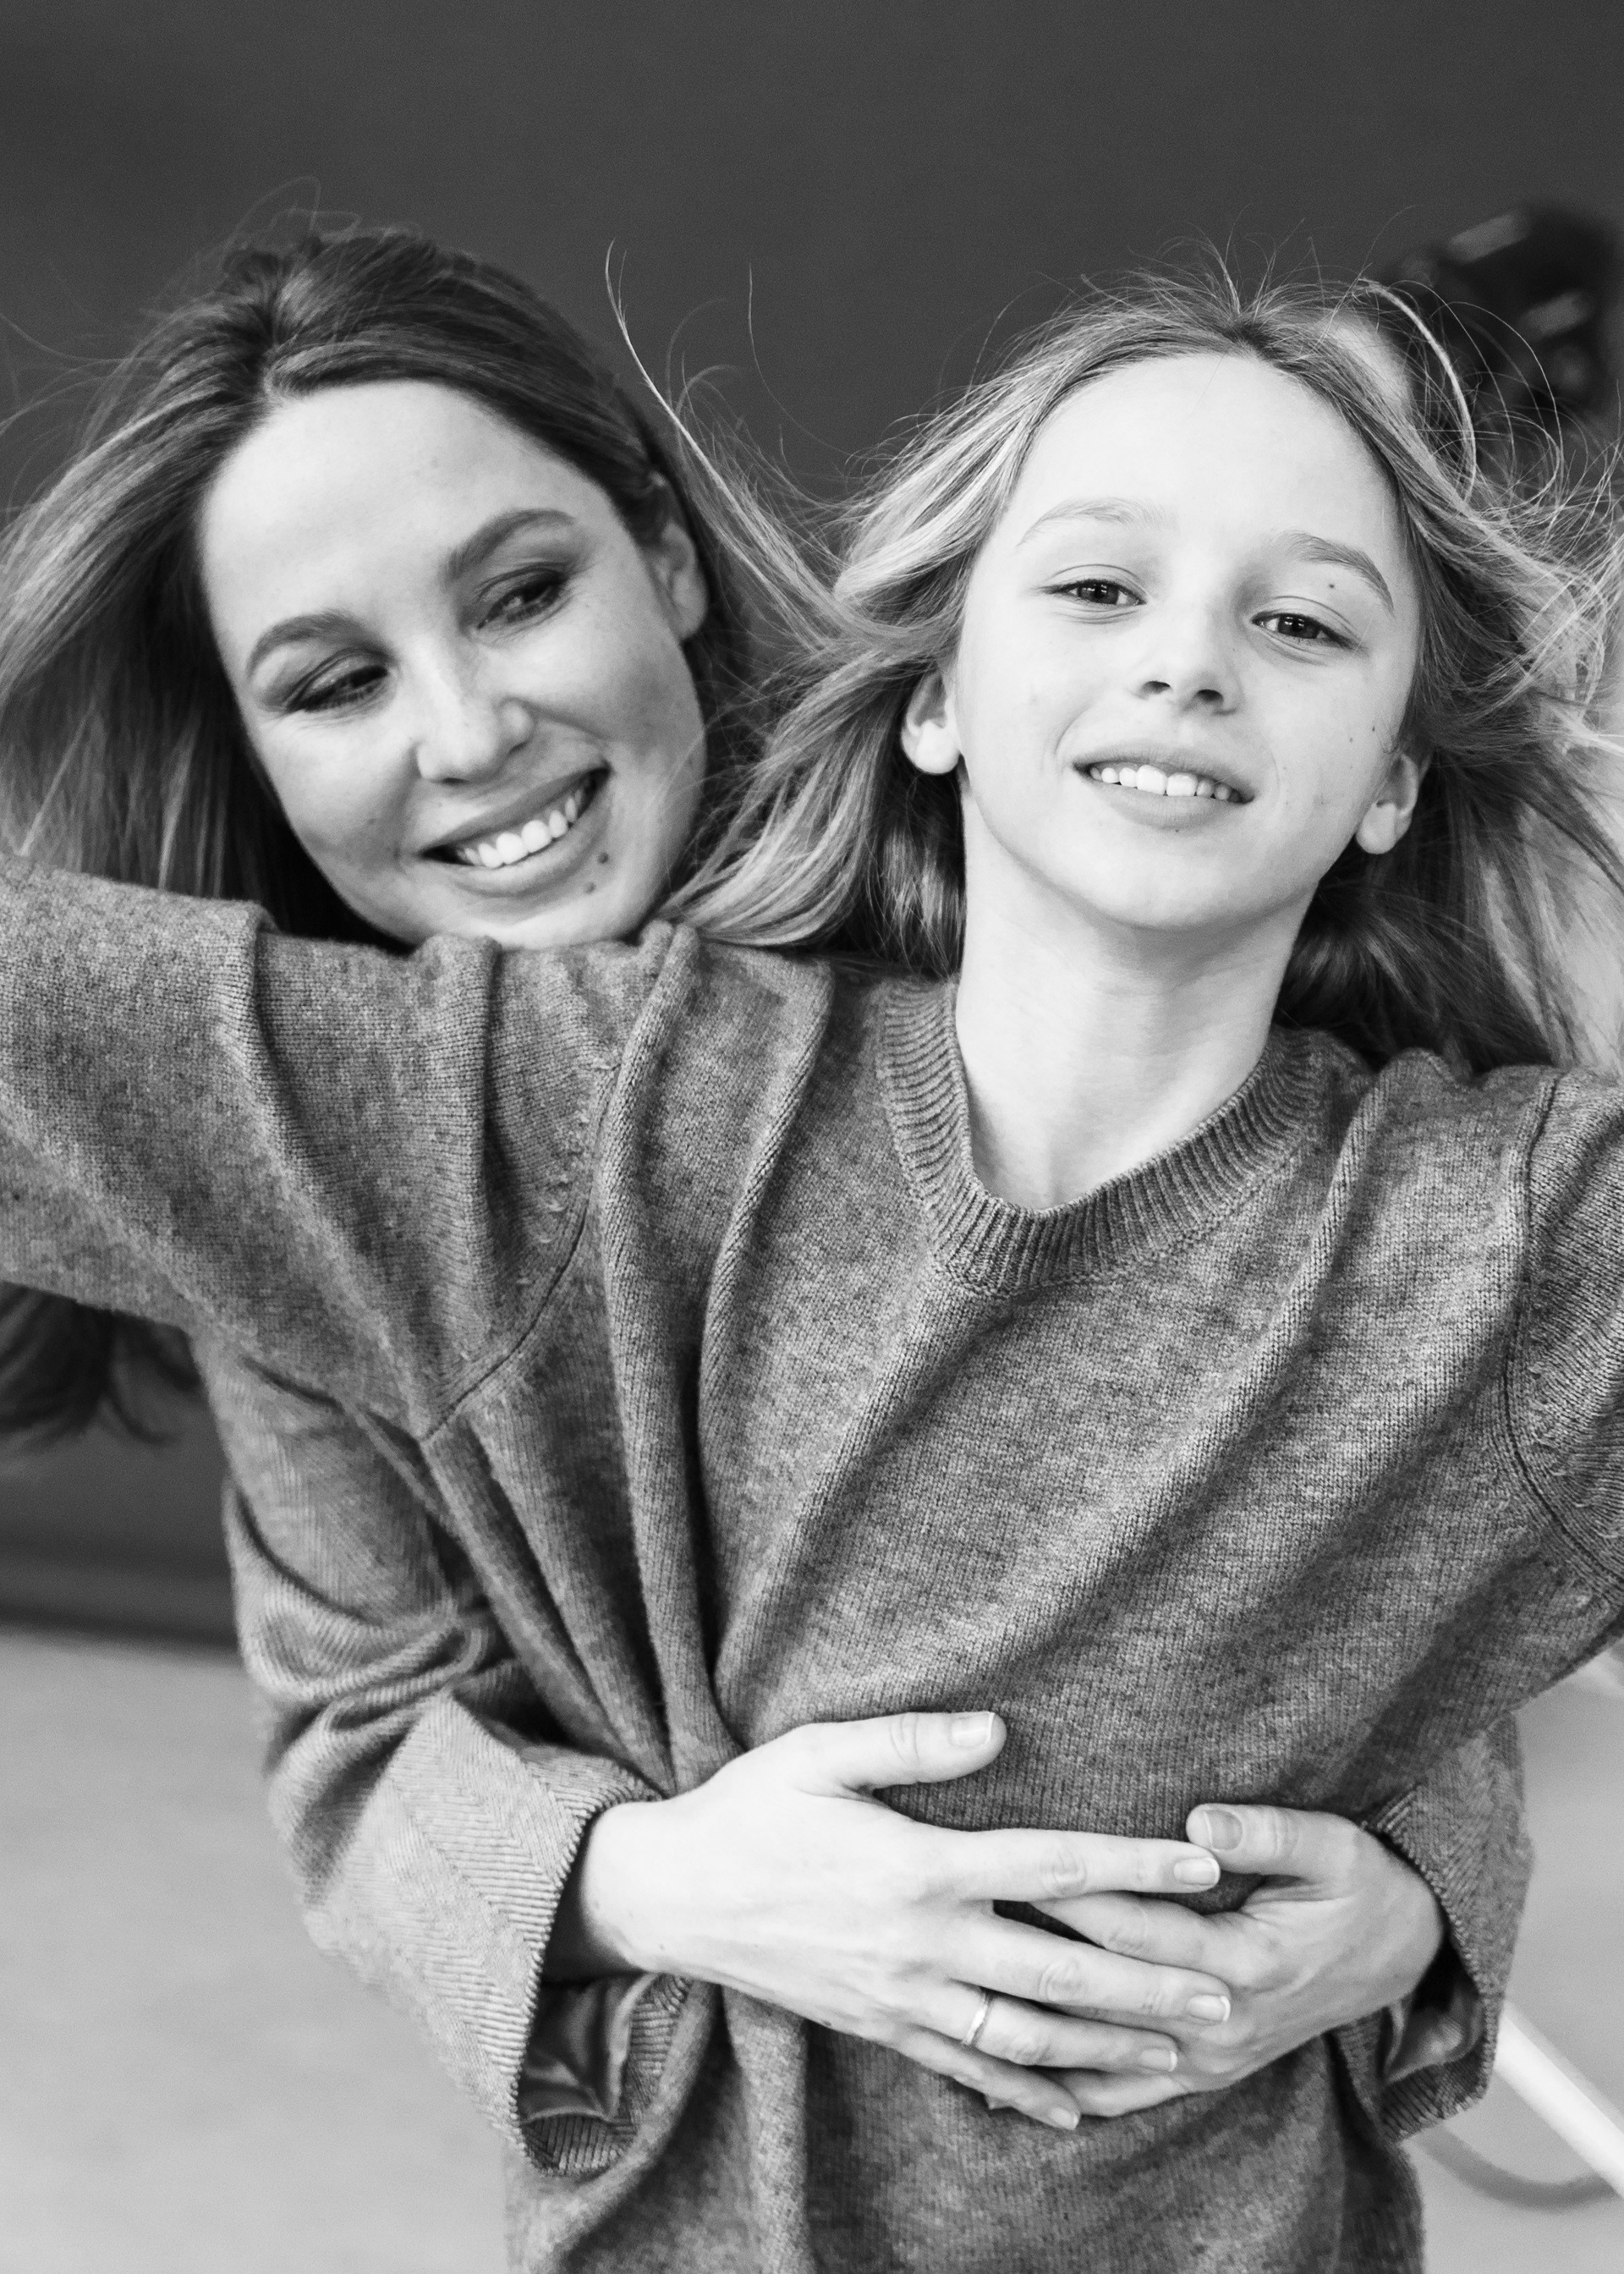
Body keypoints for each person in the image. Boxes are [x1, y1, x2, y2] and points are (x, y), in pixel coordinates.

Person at [0, 250, 1590, 2269]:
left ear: (663, 557)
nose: (473, 732)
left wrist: (1417, 1895)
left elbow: (1380, 1493)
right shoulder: (378, 1155)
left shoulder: (1078, 878)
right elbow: (364, 1746)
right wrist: (671, 1881)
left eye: (519, 595)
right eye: (336, 683)